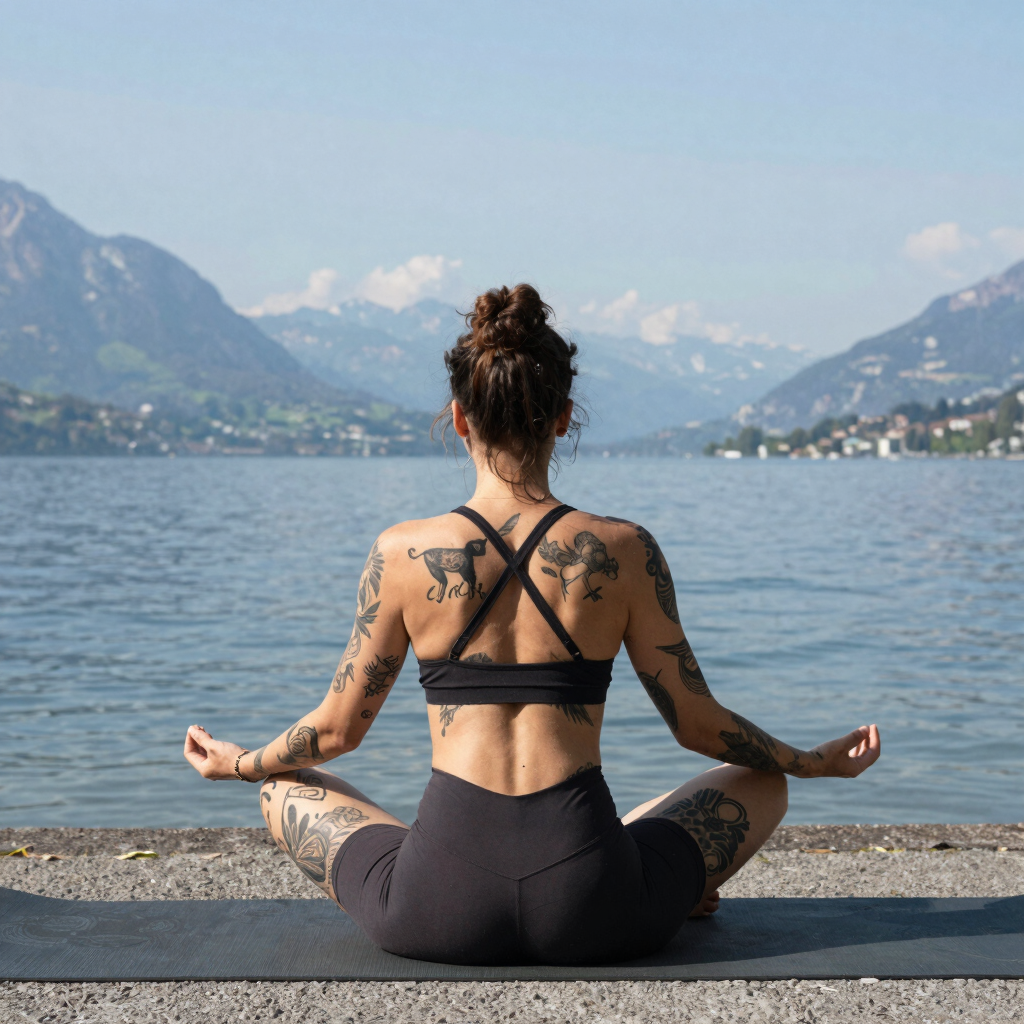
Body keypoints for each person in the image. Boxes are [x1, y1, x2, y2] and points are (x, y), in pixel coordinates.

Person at [184, 283, 880, 966]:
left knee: (281, 785)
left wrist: (236, 764)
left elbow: (337, 732)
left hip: (435, 909)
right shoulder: (625, 549)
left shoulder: (400, 553)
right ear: (563, 417)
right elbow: (699, 727)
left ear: (459, 418)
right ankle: (671, 884)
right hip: (597, 907)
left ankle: (432, 862)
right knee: (763, 782)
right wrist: (814, 762)